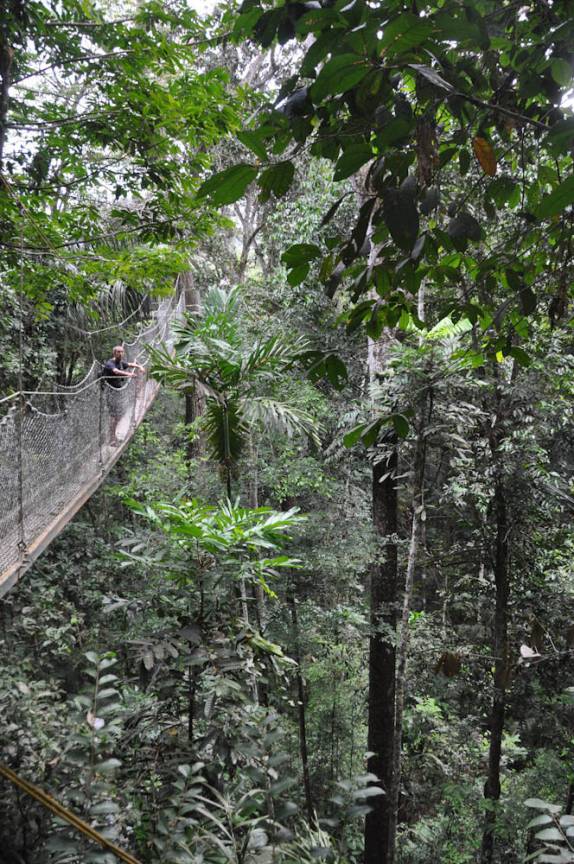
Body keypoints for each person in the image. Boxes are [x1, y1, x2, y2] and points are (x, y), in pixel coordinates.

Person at [102, 346, 146, 446]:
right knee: (114, 416)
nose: (120, 354)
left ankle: (112, 437)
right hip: (110, 393)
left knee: (119, 415)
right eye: (118, 352)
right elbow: (115, 371)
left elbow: (130, 364)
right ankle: (111, 439)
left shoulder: (120, 363)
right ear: (114, 353)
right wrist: (128, 375)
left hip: (117, 392)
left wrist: (140, 367)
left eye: (122, 352)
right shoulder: (110, 363)